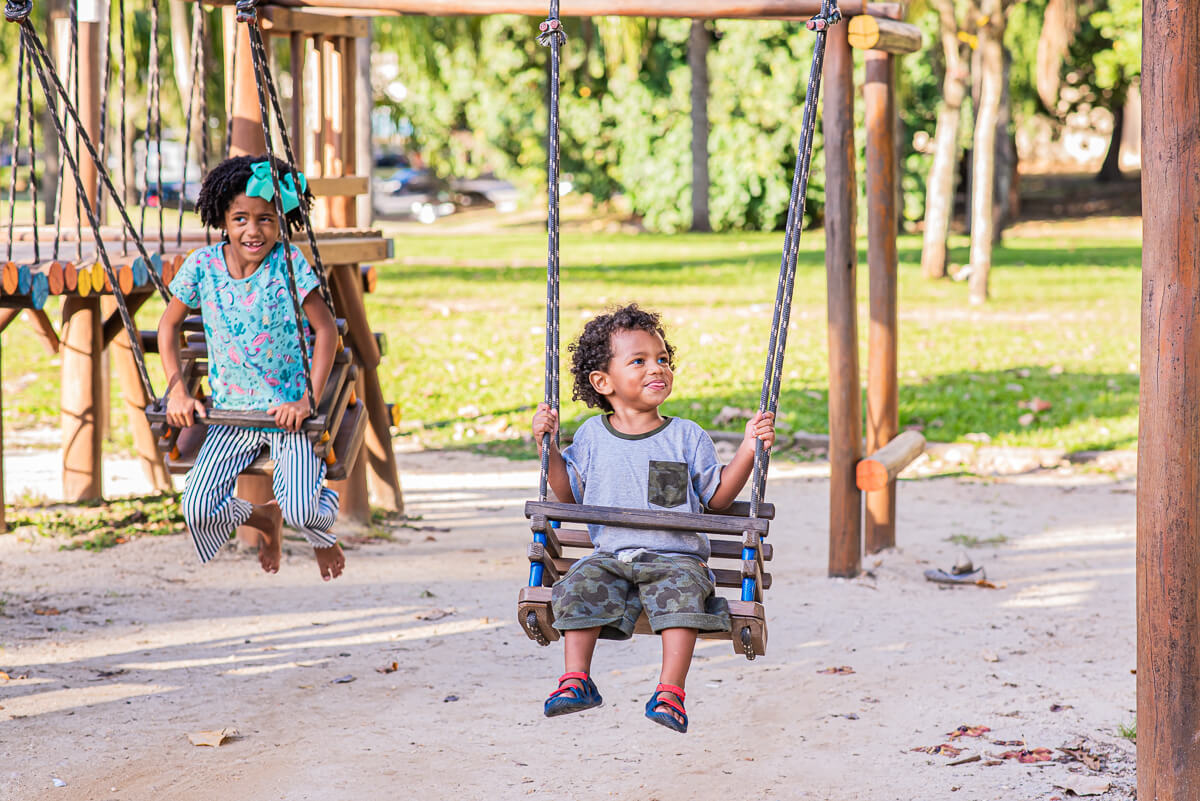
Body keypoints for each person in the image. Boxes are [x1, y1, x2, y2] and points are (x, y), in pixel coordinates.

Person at [531, 303, 775, 733]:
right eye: (639, 361)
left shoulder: (686, 435)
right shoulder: (590, 435)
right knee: (577, 586)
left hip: (677, 559)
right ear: (602, 381)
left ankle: (670, 693)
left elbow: (716, 500)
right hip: (611, 558)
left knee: (683, 594)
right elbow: (568, 495)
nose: (656, 368)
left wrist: (749, 450)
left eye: (662, 359)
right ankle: (576, 680)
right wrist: (547, 448)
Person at [158, 155, 344, 580]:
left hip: (286, 415)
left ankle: (319, 534)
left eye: (265, 219)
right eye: (240, 218)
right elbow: (167, 326)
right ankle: (263, 518)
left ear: (282, 219)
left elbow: (326, 331)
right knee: (198, 507)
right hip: (231, 414)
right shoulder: (202, 267)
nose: (253, 230)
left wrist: (306, 399)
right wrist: (178, 391)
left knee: (301, 508)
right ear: (222, 217)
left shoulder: (290, 264)